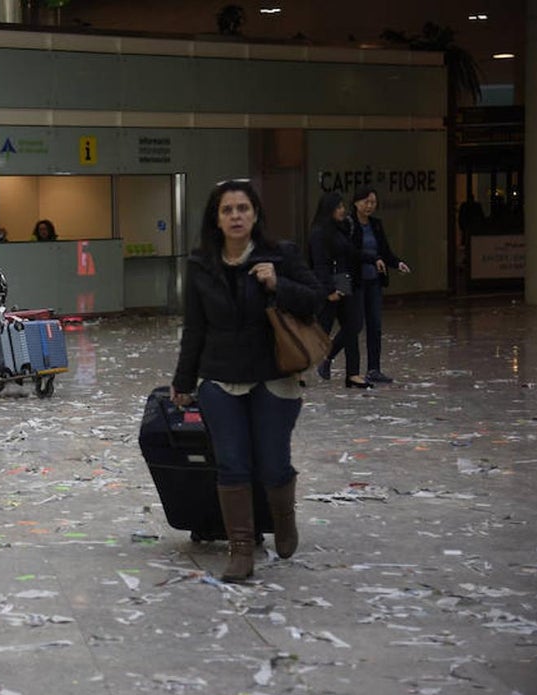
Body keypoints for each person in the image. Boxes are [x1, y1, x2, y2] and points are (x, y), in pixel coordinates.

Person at [169, 180, 321, 582]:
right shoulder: (201, 264)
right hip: (220, 380)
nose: (236, 216)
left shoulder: (281, 255)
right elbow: (194, 329)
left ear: (255, 215)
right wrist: (183, 381)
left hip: (274, 377)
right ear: (216, 220)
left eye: (243, 209)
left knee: (273, 464)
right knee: (232, 464)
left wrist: (279, 284)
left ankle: (283, 519)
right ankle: (240, 549)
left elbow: (316, 299)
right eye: (227, 210)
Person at [308, 192, 373, 389]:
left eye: (342, 206)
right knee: (321, 330)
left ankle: (352, 373)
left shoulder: (340, 229)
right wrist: (329, 290)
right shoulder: (319, 232)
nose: (342, 210)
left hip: (343, 279)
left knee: (353, 325)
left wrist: (374, 258)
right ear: (329, 210)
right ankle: (297, 369)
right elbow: (319, 264)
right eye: (338, 207)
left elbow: (350, 253)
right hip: (328, 283)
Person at [350, 187, 411, 384]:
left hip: (374, 282)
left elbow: (385, 251)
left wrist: (397, 263)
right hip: (356, 283)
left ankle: (374, 369)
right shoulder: (349, 225)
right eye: (366, 202)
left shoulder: (376, 225)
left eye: (373, 203)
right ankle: (347, 368)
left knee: (375, 326)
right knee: (354, 325)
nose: (369, 206)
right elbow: (349, 253)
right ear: (356, 202)